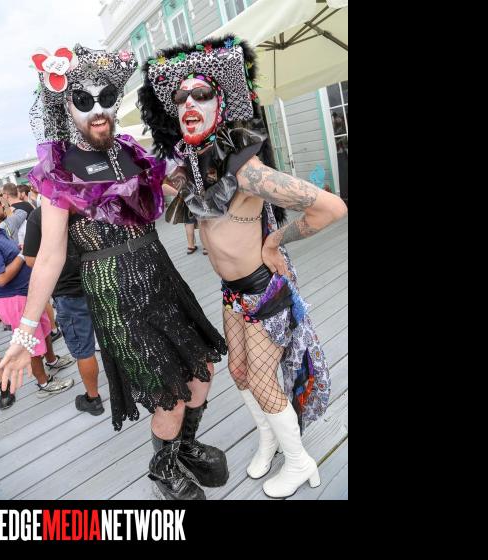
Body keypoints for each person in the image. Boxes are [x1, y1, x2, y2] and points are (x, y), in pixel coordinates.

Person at [0, 44, 228, 500]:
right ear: (66, 107)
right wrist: (24, 333)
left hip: (162, 277)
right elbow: (50, 256)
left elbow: (186, 189)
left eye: (105, 98)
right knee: (169, 393)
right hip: (114, 292)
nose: (97, 110)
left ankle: (182, 448)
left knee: (202, 372)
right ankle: (164, 469)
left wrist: (213, 158)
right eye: (83, 100)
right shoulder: (59, 170)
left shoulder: (130, 151)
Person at [139, 35, 348, 499]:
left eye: (201, 94)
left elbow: (331, 207)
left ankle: (299, 461)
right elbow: (179, 196)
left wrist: (275, 240)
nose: (189, 103)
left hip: (262, 290)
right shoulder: (194, 165)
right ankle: (270, 439)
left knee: (262, 379)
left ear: (221, 104)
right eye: (180, 97)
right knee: (238, 371)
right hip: (231, 291)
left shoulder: (245, 168)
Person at [0, 189, 75, 405]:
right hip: (12, 299)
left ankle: (52, 361)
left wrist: (17, 251)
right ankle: (43, 383)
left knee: (44, 328)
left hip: (24, 293)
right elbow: (0, 279)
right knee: (29, 340)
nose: (3, 202)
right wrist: (21, 255)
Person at [23, 205, 104, 416]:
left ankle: (93, 399)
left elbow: (31, 260)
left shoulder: (40, 215)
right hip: (100, 279)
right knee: (116, 336)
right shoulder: (88, 202)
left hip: (68, 291)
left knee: (84, 351)